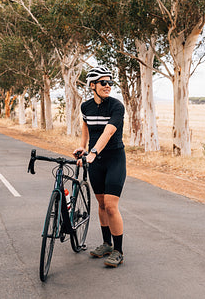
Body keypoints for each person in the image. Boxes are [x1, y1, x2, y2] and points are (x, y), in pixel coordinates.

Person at [73, 66, 126, 268]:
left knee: (112, 206)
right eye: (104, 82)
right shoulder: (86, 107)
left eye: (110, 83)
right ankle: (106, 244)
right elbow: (86, 131)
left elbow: (108, 132)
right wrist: (83, 148)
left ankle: (118, 251)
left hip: (114, 159)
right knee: (101, 204)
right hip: (95, 161)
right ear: (92, 85)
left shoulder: (116, 106)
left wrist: (93, 152)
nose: (108, 86)